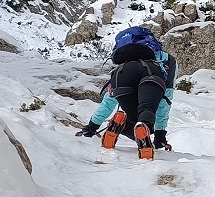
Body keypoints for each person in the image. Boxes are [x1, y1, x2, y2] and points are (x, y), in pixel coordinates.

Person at [76, 27, 179, 158]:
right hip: (151, 75)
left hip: (122, 75)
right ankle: (144, 126)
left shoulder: (126, 58)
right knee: (145, 115)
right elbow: (165, 100)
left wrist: (92, 127)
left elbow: (110, 99)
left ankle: (121, 124)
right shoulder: (168, 60)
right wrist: (159, 136)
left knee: (131, 116)